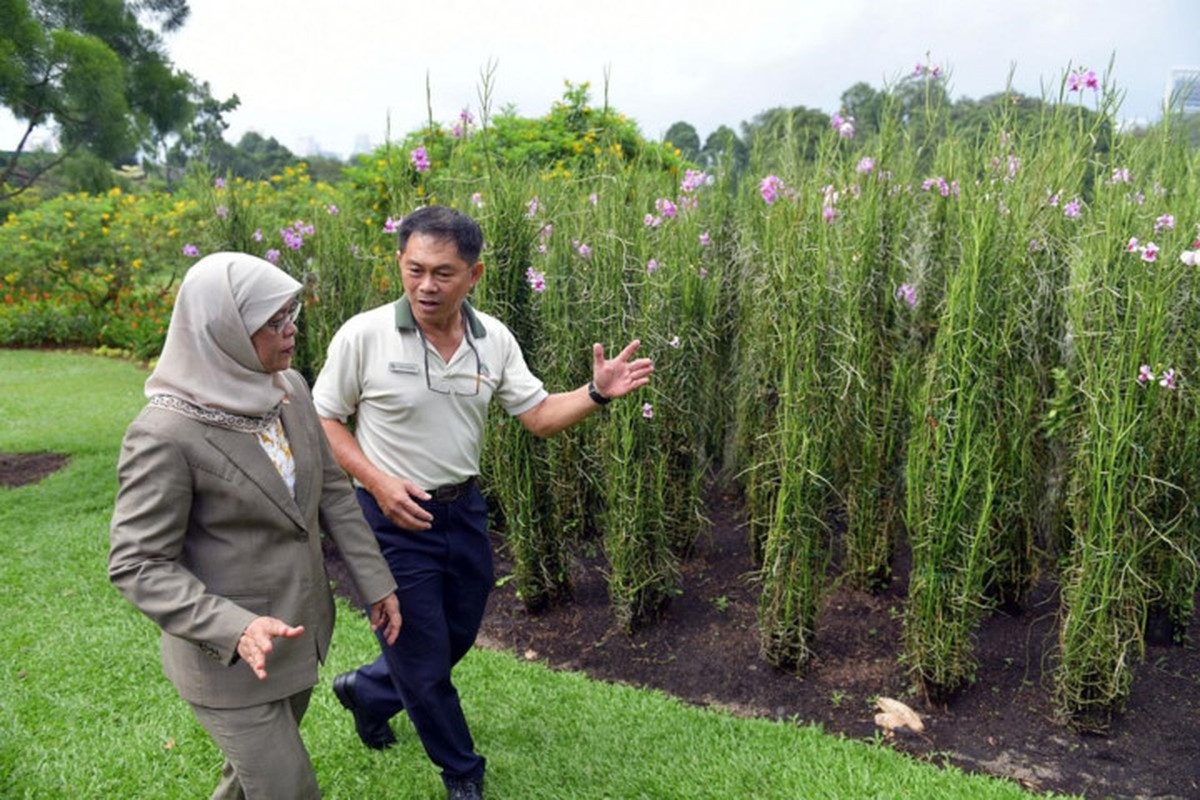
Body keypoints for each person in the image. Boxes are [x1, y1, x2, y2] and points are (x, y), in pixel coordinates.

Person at [312, 205, 653, 800]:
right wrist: (378, 482)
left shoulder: (491, 339)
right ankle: (462, 771)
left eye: (443, 272)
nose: (425, 285)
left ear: (475, 275)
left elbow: (540, 417)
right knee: (420, 653)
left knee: (456, 636)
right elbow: (323, 419)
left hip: (463, 512)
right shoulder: (362, 335)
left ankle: (367, 691)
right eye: (414, 269)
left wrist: (597, 393)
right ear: (399, 263)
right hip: (391, 518)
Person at [108, 252, 402, 800]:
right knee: (289, 790)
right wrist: (235, 628)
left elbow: (332, 493)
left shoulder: (287, 387)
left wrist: (375, 582)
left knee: (247, 785)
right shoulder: (165, 434)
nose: (291, 332)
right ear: (225, 329)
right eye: (274, 322)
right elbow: (137, 564)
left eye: (292, 313)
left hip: (297, 638)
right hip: (227, 662)